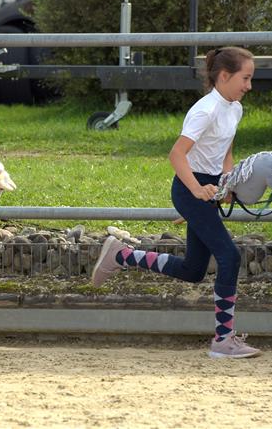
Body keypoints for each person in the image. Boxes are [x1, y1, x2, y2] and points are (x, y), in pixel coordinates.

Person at [91, 46, 261, 359]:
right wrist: (195, 192)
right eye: (245, 78)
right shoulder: (205, 110)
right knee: (230, 256)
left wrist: (227, 185)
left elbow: (225, 152)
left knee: (193, 270)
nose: (249, 85)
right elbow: (176, 155)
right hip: (189, 188)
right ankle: (223, 340)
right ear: (225, 76)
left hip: (206, 190)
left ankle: (121, 255)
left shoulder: (234, 108)